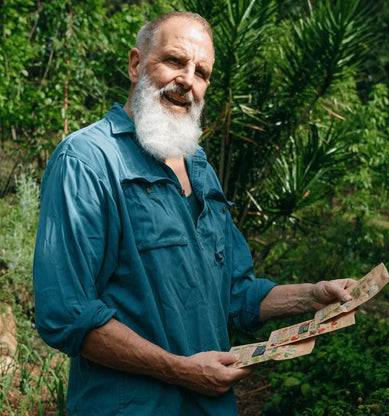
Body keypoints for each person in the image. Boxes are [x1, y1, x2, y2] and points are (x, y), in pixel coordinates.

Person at [33, 11, 355, 416]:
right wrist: (180, 371)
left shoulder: (200, 168)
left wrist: (313, 295)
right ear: (136, 65)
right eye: (174, 60)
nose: (188, 80)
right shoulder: (87, 161)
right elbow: (65, 312)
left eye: (201, 72)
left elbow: (237, 294)